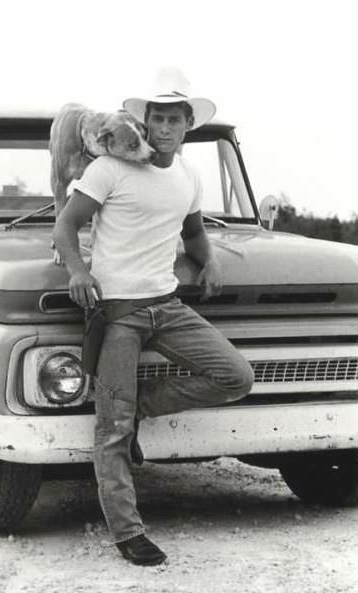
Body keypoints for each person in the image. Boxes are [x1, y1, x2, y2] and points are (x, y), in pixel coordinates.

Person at [53, 67, 254, 566]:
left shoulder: (188, 175)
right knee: (112, 428)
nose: (163, 128)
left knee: (235, 376)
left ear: (188, 125)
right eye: (156, 119)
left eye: (174, 120)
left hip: (166, 305)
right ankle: (127, 531)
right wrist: (77, 269)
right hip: (117, 311)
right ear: (144, 123)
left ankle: (138, 403)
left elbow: (191, 228)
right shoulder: (108, 169)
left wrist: (209, 258)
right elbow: (66, 224)